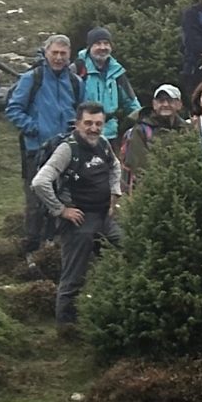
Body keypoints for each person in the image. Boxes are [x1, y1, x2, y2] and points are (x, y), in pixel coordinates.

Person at [28, 103, 121, 324]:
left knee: (129, 248)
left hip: (103, 217)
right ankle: (66, 328)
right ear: (78, 123)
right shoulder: (67, 149)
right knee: (73, 277)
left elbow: (115, 166)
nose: (94, 128)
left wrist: (115, 195)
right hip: (78, 222)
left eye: (99, 124)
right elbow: (40, 182)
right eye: (88, 123)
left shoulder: (103, 144)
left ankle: (109, 310)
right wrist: (60, 210)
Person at [3, 33, 83, 256]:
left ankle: (57, 244)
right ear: (46, 53)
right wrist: (33, 127)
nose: (58, 58)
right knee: (35, 198)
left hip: (66, 150)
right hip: (36, 149)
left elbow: (82, 113)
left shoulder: (77, 83)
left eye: (63, 54)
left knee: (64, 195)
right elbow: (13, 109)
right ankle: (31, 244)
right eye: (54, 53)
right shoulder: (32, 78)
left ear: (69, 56)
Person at [117, 83, 186, 190]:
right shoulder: (141, 130)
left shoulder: (187, 129)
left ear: (179, 104)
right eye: (161, 101)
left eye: (170, 100)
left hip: (182, 188)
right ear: (154, 104)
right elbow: (139, 165)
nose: (165, 104)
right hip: (148, 190)